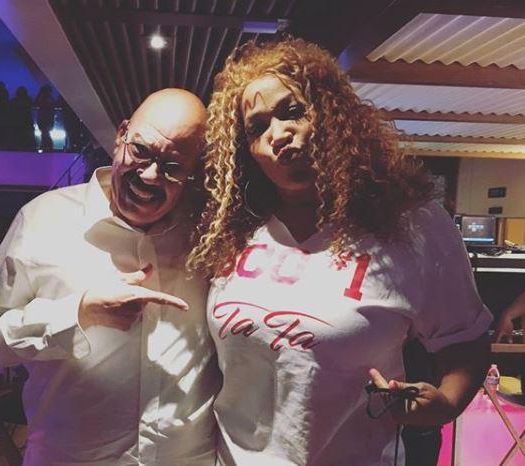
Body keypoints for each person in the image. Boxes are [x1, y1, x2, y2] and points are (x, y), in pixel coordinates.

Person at [187, 38, 492, 465]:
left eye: (293, 111)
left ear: (331, 113)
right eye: (257, 128)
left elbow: (466, 339)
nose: (278, 134)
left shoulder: (412, 226)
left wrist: (446, 403)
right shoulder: (230, 232)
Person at [0, 88, 220, 465]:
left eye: (172, 166)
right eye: (141, 150)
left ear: (192, 172)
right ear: (121, 135)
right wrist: (79, 312)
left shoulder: (208, 232)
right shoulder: (42, 219)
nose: (150, 174)